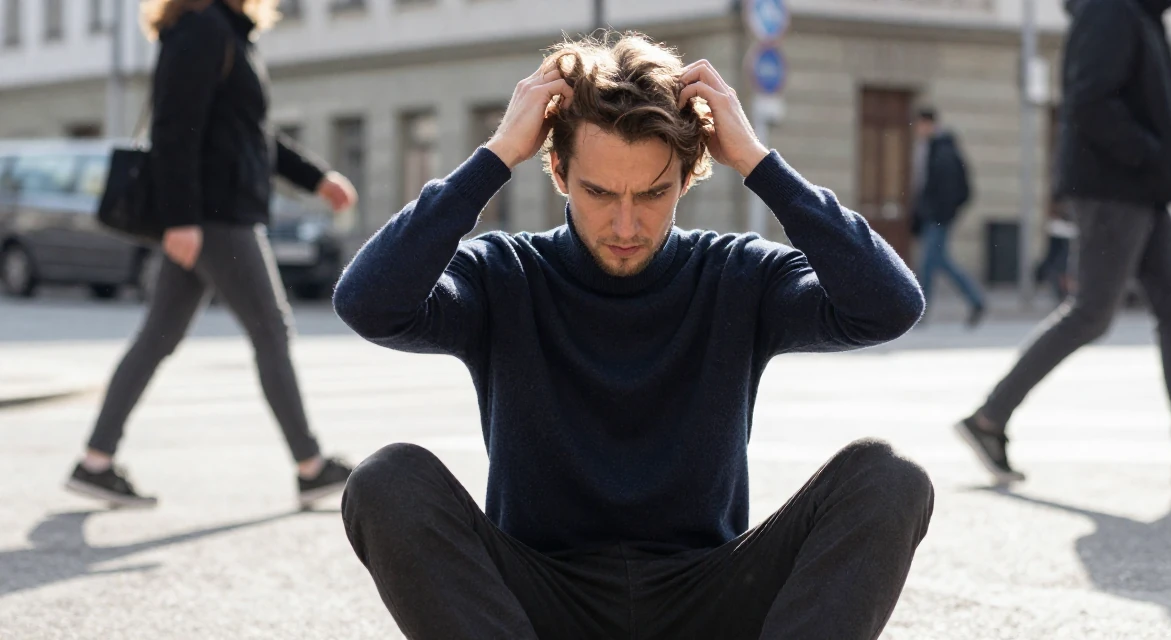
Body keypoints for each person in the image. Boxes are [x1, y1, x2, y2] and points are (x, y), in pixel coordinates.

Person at [334, 34, 933, 640]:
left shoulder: (737, 274)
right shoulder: (503, 274)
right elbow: (368, 303)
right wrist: (493, 159)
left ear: (687, 176)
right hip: (541, 601)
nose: (626, 224)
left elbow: (888, 306)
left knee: (888, 477)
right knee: (388, 480)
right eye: (599, 193)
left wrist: (758, 163)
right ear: (560, 172)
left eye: (653, 193)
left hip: (707, 597)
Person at [64, 0, 356, 509]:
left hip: (212, 214)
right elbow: (175, 128)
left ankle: (95, 461)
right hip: (216, 217)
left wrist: (317, 178)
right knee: (271, 327)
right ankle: (311, 467)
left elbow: (249, 133)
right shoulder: (202, 30)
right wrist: (181, 218)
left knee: (158, 336)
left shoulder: (228, 33)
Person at [956, 0, 1171, 489]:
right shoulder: (1110, 10)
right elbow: (1089, 102)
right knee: (1092, 312)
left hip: (1143, 192)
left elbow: (1163, 124)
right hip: (1114, 191)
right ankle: (989, 417)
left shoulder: (1142, 16)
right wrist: (1153, 159)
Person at [911, 107, 987, 327]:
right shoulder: (934, 148)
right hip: (934, 217)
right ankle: (976, 300)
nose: (917, 130)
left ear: (927, 124)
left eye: (918, 125)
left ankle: (919, 312)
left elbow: (951, 190)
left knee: (928, 264)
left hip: (938, 218)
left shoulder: (943, 151)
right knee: (940, 262)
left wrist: (941, 214)